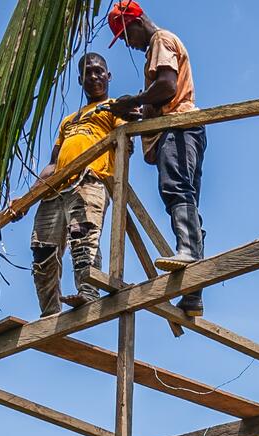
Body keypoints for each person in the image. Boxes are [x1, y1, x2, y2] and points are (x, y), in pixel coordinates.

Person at [106, 1, 206, 315]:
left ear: (136, 22)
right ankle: (193, 292)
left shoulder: (160, 40)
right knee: (185, 196)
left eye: (126, 35)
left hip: (177, 128)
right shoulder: (157, 47)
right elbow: (159, 98)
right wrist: (137, 110)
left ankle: (189, 253)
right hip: (182, 128)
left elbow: (167, 86)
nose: (128, 44)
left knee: (176, 189)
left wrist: (133, 100)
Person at [31, 52, 122, 317]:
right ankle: (49, 312)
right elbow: (53, 163)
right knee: (42, 250)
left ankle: (88, 292)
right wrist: (28, 198)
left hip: (88, 181)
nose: (94, 76)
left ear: (108, 76)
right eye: (87, 73)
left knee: (82, 238)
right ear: (80, 80)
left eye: (99, 71)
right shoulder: (69, 121)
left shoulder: (114, 107)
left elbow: (125, 139)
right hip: (56, 189)